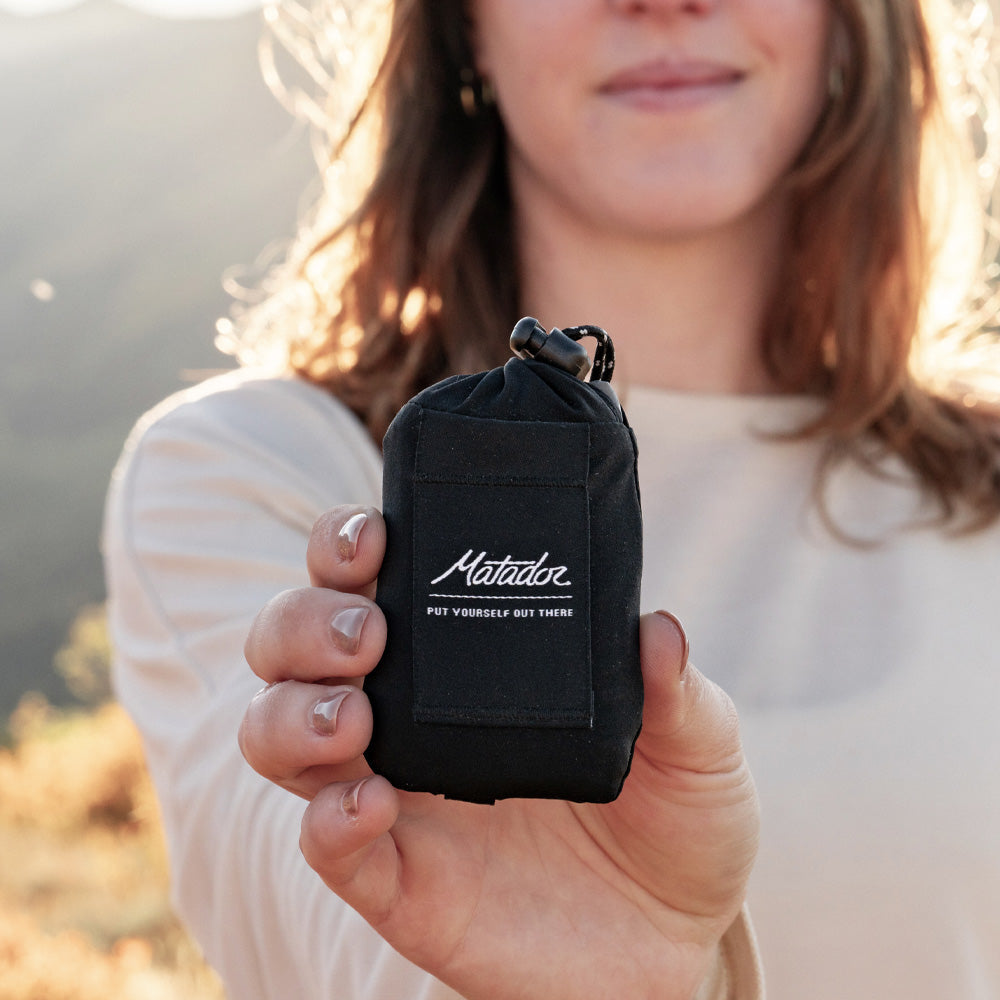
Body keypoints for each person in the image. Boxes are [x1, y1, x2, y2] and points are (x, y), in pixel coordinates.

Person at [103, 0, 1000, 997]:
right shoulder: (252, 472)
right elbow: (336, 944)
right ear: (462, 29)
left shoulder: (985, 493)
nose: (663, 2)